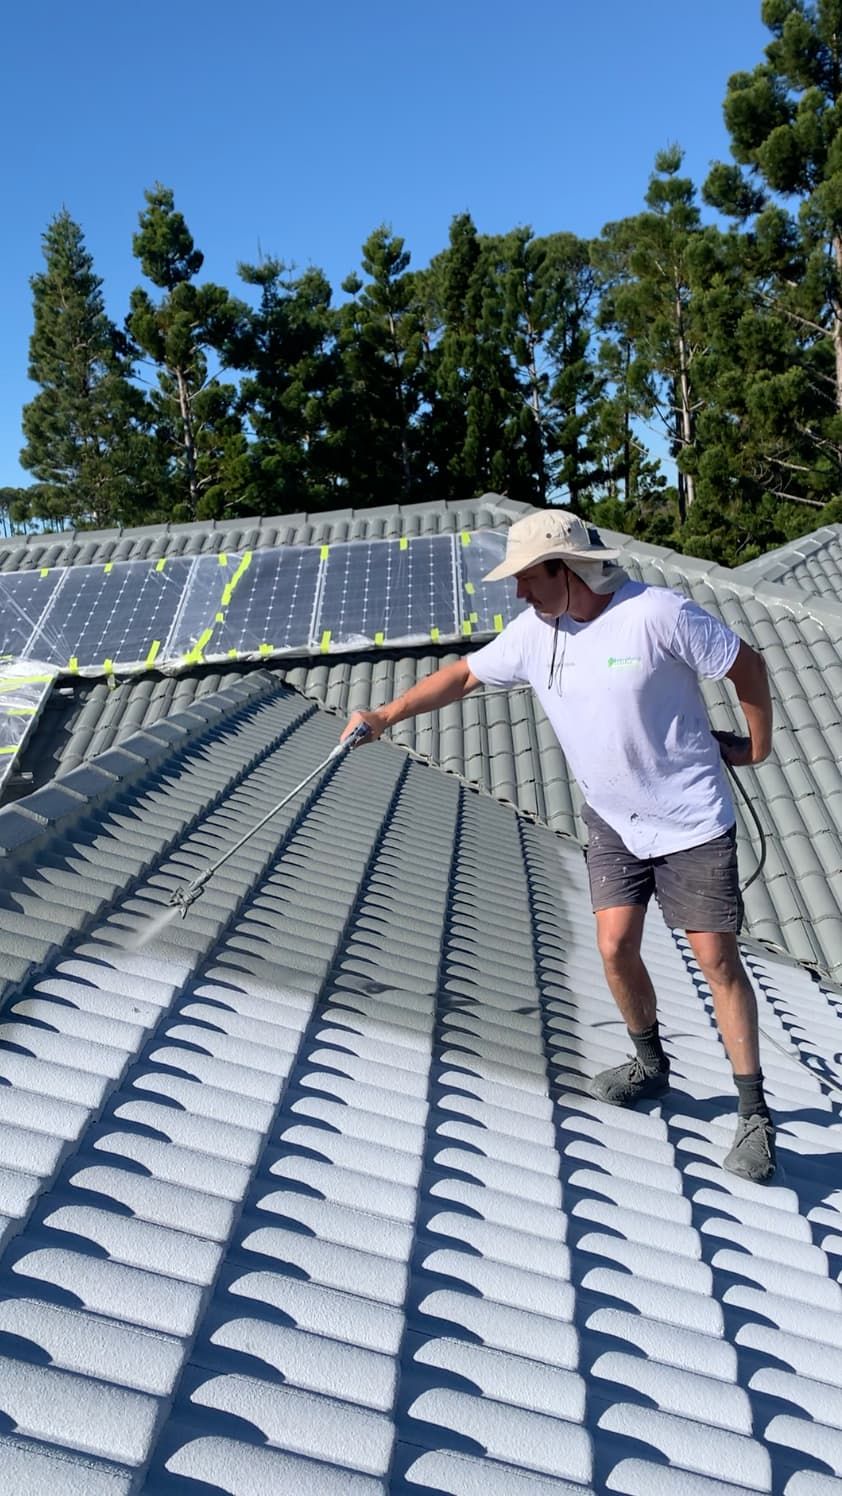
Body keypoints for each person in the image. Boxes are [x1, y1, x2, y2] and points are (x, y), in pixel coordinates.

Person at [341, 508, 776, 1183]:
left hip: (690, 820)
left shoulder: (657, 614)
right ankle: (650, 1064)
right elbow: (461, 677)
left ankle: (754, 1115)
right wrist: (384, 716)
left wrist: (757, 746)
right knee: (613, 946)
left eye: (527, 579)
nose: (518, 593)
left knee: (717, 961)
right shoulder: (533, 633)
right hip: (613, 819)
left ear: (565, 568)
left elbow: (747, 666)